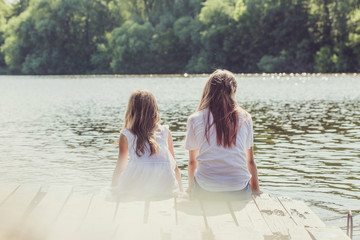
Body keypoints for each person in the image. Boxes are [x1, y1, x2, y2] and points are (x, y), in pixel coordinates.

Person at [185, 69, 262, 200]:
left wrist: (190, 190)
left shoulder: (194, 119)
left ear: (208, 91)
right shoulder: (245, 118)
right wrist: (255, 190)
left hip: (205, 190)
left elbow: (192, 162)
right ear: (234, 90)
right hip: (239, 190)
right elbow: (250, 161)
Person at [111, 90, 183, 200]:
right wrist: (181, 191)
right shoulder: (165, 132)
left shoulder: (126, 134)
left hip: (136, 190)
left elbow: (120, 168)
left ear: (131, 110)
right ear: (155, 109)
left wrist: (113, 189)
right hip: (165, 189)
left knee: (114, 190)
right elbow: (175, 167)